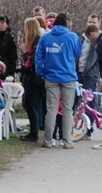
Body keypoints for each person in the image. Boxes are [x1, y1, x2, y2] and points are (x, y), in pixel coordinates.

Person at [33, 13, 81, 148]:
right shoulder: (73, 37)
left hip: (51, 77)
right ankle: (67, 141)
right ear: (67, 23)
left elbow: (38, 57)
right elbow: (78, 53)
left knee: (51, 110)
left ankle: (48, 140)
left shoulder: (45, 37)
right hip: (68, 77)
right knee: (67, 110)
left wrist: (41, 72)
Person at [19, 16, 46, 141]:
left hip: (34, 78)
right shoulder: (33, 41)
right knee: (28, 103)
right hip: (30, 76)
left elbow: (34, 60)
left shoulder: (37, 42)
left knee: (30, 103)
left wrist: (25, 52)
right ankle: (33, 131)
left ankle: (34, 132)